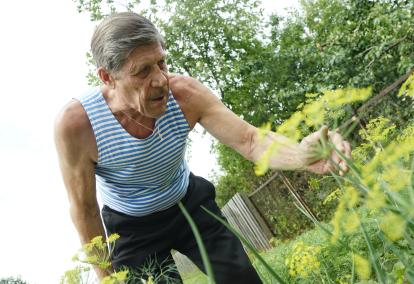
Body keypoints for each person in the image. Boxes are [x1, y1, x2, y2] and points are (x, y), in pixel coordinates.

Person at [54, 12, 351, 283]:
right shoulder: (77, 125)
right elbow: (84, 209)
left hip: (188, 203)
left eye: (161, 63)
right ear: (107, 77)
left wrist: (303, 154)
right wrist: (108, 279)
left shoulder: (184, 95)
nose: (160, 80)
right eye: (142, 71)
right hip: (131, 226)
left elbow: (249, 139)